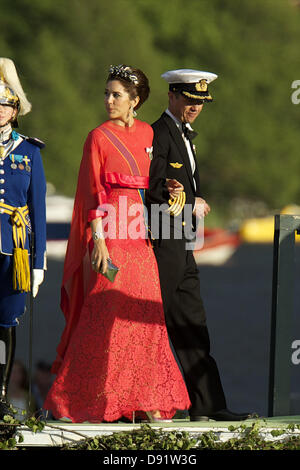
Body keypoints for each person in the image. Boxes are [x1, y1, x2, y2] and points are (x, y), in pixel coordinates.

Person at [44, 65, 191, 423]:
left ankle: (146, 399)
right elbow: (93, 191)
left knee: (145, 317)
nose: (109, 100)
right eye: (107, 94)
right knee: (103, 317)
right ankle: (76, 401)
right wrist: (98, 242)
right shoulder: (97, 137)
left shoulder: (147, 133)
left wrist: (172, 187)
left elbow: (153, 182)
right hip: (110, 232)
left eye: (117, 95)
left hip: (140, 236)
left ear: (135, 100)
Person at [146, 69, 251, 422]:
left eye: (200, 103)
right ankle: (136, 405)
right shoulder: (158, 133)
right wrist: (189, 200)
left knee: (193, 322)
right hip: (164, 240)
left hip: (183, 242)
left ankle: (208, 405)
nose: (195, 107)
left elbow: (185, 179)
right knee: (152, 323)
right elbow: (153, 184)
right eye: (189, 100)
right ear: (172, 95)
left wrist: (196, 195)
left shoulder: (185, 135)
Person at [0, 58, 46, 421]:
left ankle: (1, 392)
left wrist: (39, 261)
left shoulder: (29, 151)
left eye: (5, 103)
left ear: (16, 109)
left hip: (15, 249)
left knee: (6, 321)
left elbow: (39, 208)